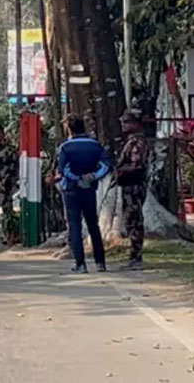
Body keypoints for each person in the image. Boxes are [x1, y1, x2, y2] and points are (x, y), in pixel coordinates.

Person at [57, 115, 111, 273]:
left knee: (75, 226)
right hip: (90, 189)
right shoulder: (95, 145)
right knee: (93, 225)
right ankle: (100, 262)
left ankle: (81, 263)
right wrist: (93, 177)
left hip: (72, 190)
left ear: (69, 129)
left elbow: (64, 170)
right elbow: (106, 165)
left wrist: (77, 178)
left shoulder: (65, 147)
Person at [116, 109, 148, 271]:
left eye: (127, 122)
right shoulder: (130, 141)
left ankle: (136, 257)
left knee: (135, 221)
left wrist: (120, 171)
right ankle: (134, 256)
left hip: (134, 185)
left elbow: (137, 165)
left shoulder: (137, 142)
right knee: (130, 220)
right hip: (128, 186)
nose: (123, 125)